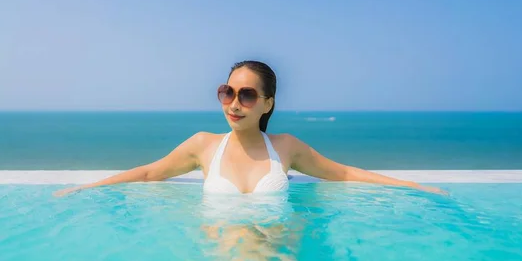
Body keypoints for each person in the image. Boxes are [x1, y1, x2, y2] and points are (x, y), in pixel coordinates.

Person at [53, 60, 447, 197]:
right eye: (227, 92)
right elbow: (149, 172)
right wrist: (88, 188)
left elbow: (343, 173)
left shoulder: (286, 148)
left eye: (246, 95)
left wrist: (414, 187)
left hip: (276, 258)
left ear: (268, 104)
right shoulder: (204, 146)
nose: (235, 103)